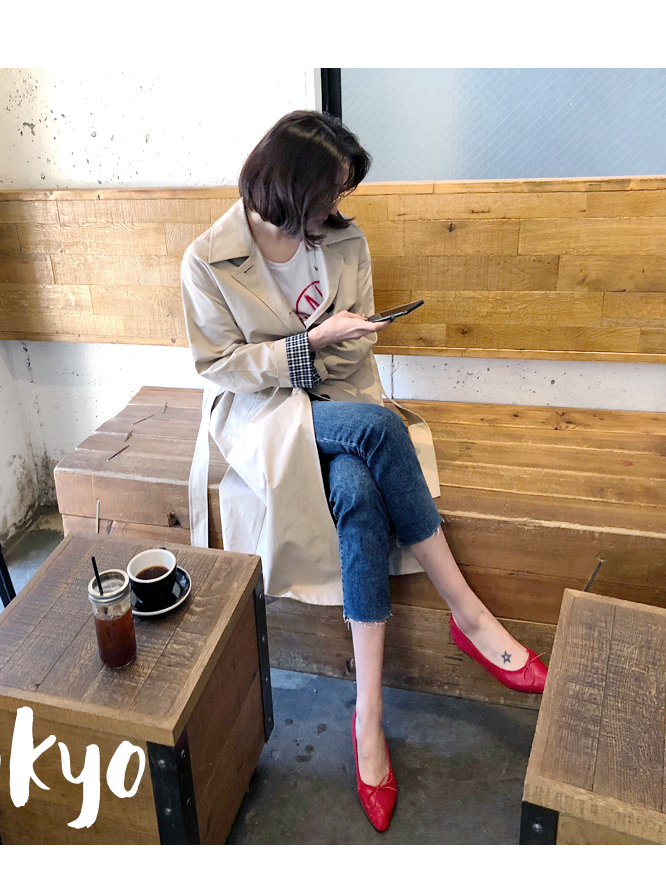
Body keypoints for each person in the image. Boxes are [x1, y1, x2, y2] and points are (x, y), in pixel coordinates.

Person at [181, 110, 546, 832]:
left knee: (355, 490)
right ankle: (468, 614)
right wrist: (309, 343)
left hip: (341, 399)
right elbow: (218, 366)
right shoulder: (207, 259)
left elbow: (358, 353)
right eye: (327, 192)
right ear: (289, 185)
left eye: (342, 192)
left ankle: (368, 717)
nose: (336, 207)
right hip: (262, 415)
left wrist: (342, 342)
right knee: (381, 431)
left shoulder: (344, 240)